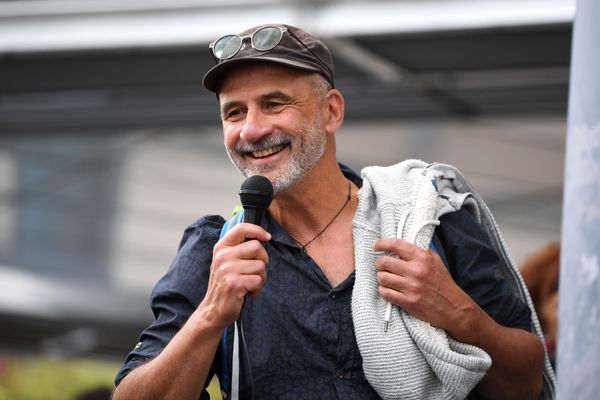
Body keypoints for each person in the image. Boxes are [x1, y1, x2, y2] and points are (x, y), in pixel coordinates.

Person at [113, 24, 545, 400]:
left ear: (331, 111)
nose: (251, 130)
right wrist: (210, 315)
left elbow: (526, 386)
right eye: (234, 112)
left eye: (274, 104)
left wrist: (459, 313)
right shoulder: (215, 249)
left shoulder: (427, 216)